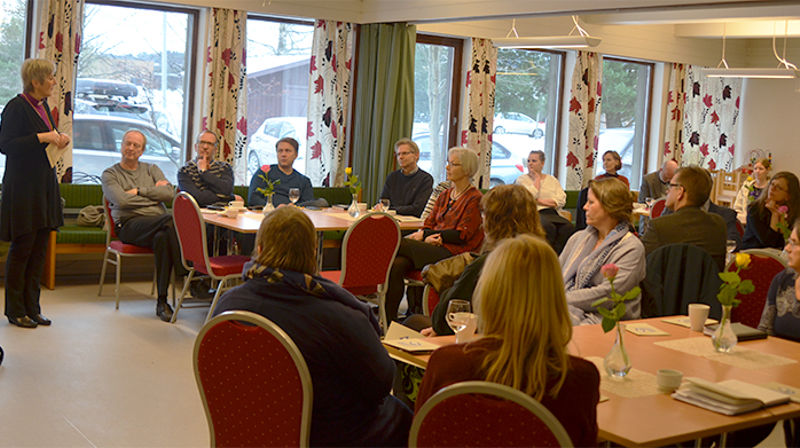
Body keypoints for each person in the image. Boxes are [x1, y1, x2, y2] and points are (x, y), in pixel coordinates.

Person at [212, 207, 412, 446]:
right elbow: (382, 383)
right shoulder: (340, 318)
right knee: (403, 415)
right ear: (313, 254)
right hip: (320, 434)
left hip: (249, 428)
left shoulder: (227, 307)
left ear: (260, 250)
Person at [416, 235, 600, 447]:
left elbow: (423, 434)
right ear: (556, 297)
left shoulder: (447, 363)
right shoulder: (579, 379)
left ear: (487, 293)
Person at [410, 184, 545, 336]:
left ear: (493, 222)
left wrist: (454, 284)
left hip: (486, 344)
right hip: (531, 341)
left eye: (484, 214)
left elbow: (443, 320)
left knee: (413, 322)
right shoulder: (545, 258)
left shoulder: (488, 264)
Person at [0, 58, 68, 328]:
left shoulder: (43, 108)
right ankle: (15, 310)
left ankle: (33, 307)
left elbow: (46, 138)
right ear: (35, 82)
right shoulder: (16, 107)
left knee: (39, 251)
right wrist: (44, 137)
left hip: (43, 187)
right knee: (23, 250)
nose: (53, 82)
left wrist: (59, 138)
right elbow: (5, 145)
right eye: (50, 77)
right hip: (23, 190)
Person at [385, 147, 484, 323]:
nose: (447, 167)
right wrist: (427, 235)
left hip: (455, 253)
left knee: (394, 242)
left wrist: (428, 236)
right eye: (448, 163)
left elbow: (462, 235)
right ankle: (388, 322)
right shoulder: (445, 194)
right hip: (433, 246)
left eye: (453, 164)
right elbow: (428, 222)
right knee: (396, 264)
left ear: (467, 170)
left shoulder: (474, 198)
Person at [101, 129, 183, 322]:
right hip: (129, 226)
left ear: (142, 150)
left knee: (164, 236)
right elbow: (121, 201)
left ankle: (162, 302)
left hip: (157, 225)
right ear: (121, 146)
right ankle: (187, 275)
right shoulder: (110, 174)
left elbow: (169, 195)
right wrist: (153, 196)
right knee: (171, 220)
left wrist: (138, 191)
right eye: (127, 143)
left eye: (136, 145)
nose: (130, 148)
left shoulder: (151, 169)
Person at [560, 177, 645, 325]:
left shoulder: (631, 248)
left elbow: (608, 294)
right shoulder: (577, 239)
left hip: (608, 320)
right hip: (568, 309)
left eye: (591, 202)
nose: (585, 207)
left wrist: (558, 298)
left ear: (610, 207)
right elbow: (555, 275)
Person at [641, 165, 727, 269]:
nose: (667, 191)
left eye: (670, 185)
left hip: (668, 285)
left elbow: (640, 264)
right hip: (708, 285)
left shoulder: (659, 227)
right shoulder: (719, 225)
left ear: (680, 192)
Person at [515, 150, 572, 252]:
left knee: (567, 227)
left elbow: (561, 199)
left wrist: (539, 201)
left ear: (542, 163)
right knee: (548, 227)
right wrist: (537, 179)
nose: (530, 163)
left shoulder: (552, 179)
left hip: (552, 212)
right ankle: (545, 257)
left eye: (534, 161)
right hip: (533, 213)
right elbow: (529, 197)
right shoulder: (522, 180)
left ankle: (557, 257)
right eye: (528, 161)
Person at [248, 137, 314, 207]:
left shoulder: (303, 180)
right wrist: (274, 207)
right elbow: (253, 199)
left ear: (296, 155)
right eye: (280, 151)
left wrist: (293, 207)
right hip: (268, 214)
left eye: (287, 151)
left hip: (293, 214)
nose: (283, 155)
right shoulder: (264, 172)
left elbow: (308, 203)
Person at [742, 171, 800, 250]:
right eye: (772, 184)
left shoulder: (795, 213)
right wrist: (775, 215)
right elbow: (768, 243)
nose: (772, 189)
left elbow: (785, 243)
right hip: (753, 255)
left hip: (781, 257)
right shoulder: (755, 209)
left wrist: (781, 218)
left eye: (779, 187)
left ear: (788, 196)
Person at [376, 138, 433, 217]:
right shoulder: (392, 177)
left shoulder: (426, 179)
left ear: (416, 155)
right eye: (398, 154)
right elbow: (383, 202)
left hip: (412, 224)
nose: (401, 157)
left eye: (404, 153)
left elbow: (417, 209)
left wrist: (390, 209)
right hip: (390, 220)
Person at [177, 130, 235, 207]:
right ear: (196, 147)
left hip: (222, 213)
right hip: (198, 214)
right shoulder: (184, 171)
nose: (205, 147)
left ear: (215, 149)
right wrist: (229, 198)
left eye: (210, 144)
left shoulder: (224, 168)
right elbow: (196, 198)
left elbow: (227, 190)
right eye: (202, 142)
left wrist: (204, 172)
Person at [638, 158, 679, 233]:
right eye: (666, 177)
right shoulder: (648, 179)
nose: (669, 181)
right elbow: (642, 201)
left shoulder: (676, 181)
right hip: (650, 213)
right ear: (661, 170)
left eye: (671, 178)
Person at [733, 157, 771, 224]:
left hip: (763, 222)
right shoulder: (746, 186)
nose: (757, 171)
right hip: (746, 220)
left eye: (761, 169)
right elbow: (737, 206)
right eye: (755, 169)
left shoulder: (770, 188)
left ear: (767, 170)